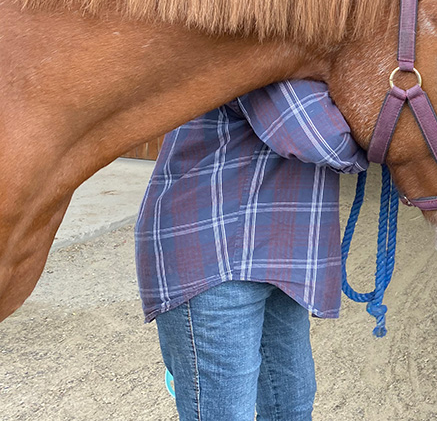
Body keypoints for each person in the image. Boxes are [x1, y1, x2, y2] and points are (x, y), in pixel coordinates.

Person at [135, 79, 368, 421]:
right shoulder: (264, 47)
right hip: (216, 256)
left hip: (277, 257)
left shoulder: (305, 56)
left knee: (291, 406)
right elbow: (319, 137)